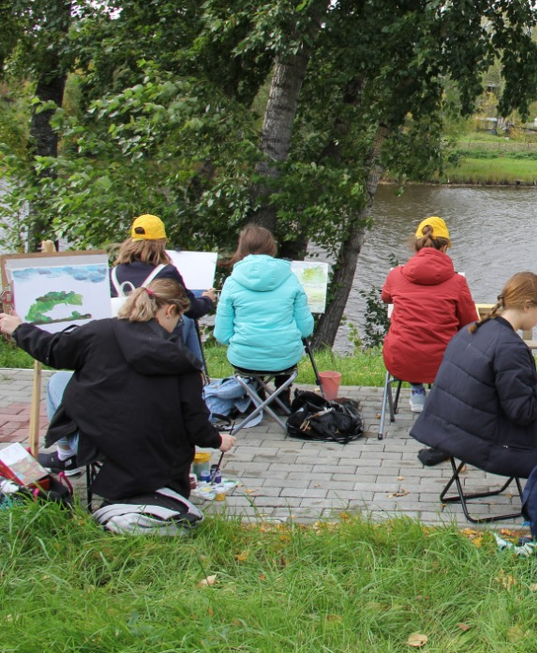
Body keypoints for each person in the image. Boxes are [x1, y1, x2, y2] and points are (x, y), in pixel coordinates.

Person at [0, 279, 235, 501]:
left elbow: (52, 350)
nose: (178, 325)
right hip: (157, 453)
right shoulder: (183, 361)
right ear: (170, 310)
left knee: (59, 380)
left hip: (95, 444)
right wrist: (216, 440)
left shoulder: (99, 332)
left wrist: (19, 329)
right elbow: (194, 420)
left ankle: (66, 456)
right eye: (180, 318)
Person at [410, 272, 537, 477]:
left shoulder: (471, 329)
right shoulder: (511, 347)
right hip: (486, 441)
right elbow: (523, 413)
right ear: (527, 306)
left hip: (452, 432)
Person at [381, 216, 477, 413]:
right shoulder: (457, 282)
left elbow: (386, 297)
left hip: (399, 359)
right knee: (448, 347)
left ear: (417, 246)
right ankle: (441, 395)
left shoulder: (396, 275)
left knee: (410, 344)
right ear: (444, 248)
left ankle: (417, 392)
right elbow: (470, 322)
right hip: (443, 362)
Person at [214, 225, 314, 409]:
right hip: (285, 356)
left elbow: (221, 335)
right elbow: (306, 329)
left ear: (241, 247)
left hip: (244, 357)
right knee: (283, 345)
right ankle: (282, 395)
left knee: (253, 350)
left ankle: (255, 395)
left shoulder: (232, 282)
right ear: (271, 247)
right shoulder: (290, 278)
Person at [111, 214, 219, 364]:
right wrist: (207, 299)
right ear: (161, 242)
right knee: (186, 318)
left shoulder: (113, 273)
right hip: (159, 344)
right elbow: (193, 309)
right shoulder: (166, 272)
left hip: (123, 342)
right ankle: (197, 372)